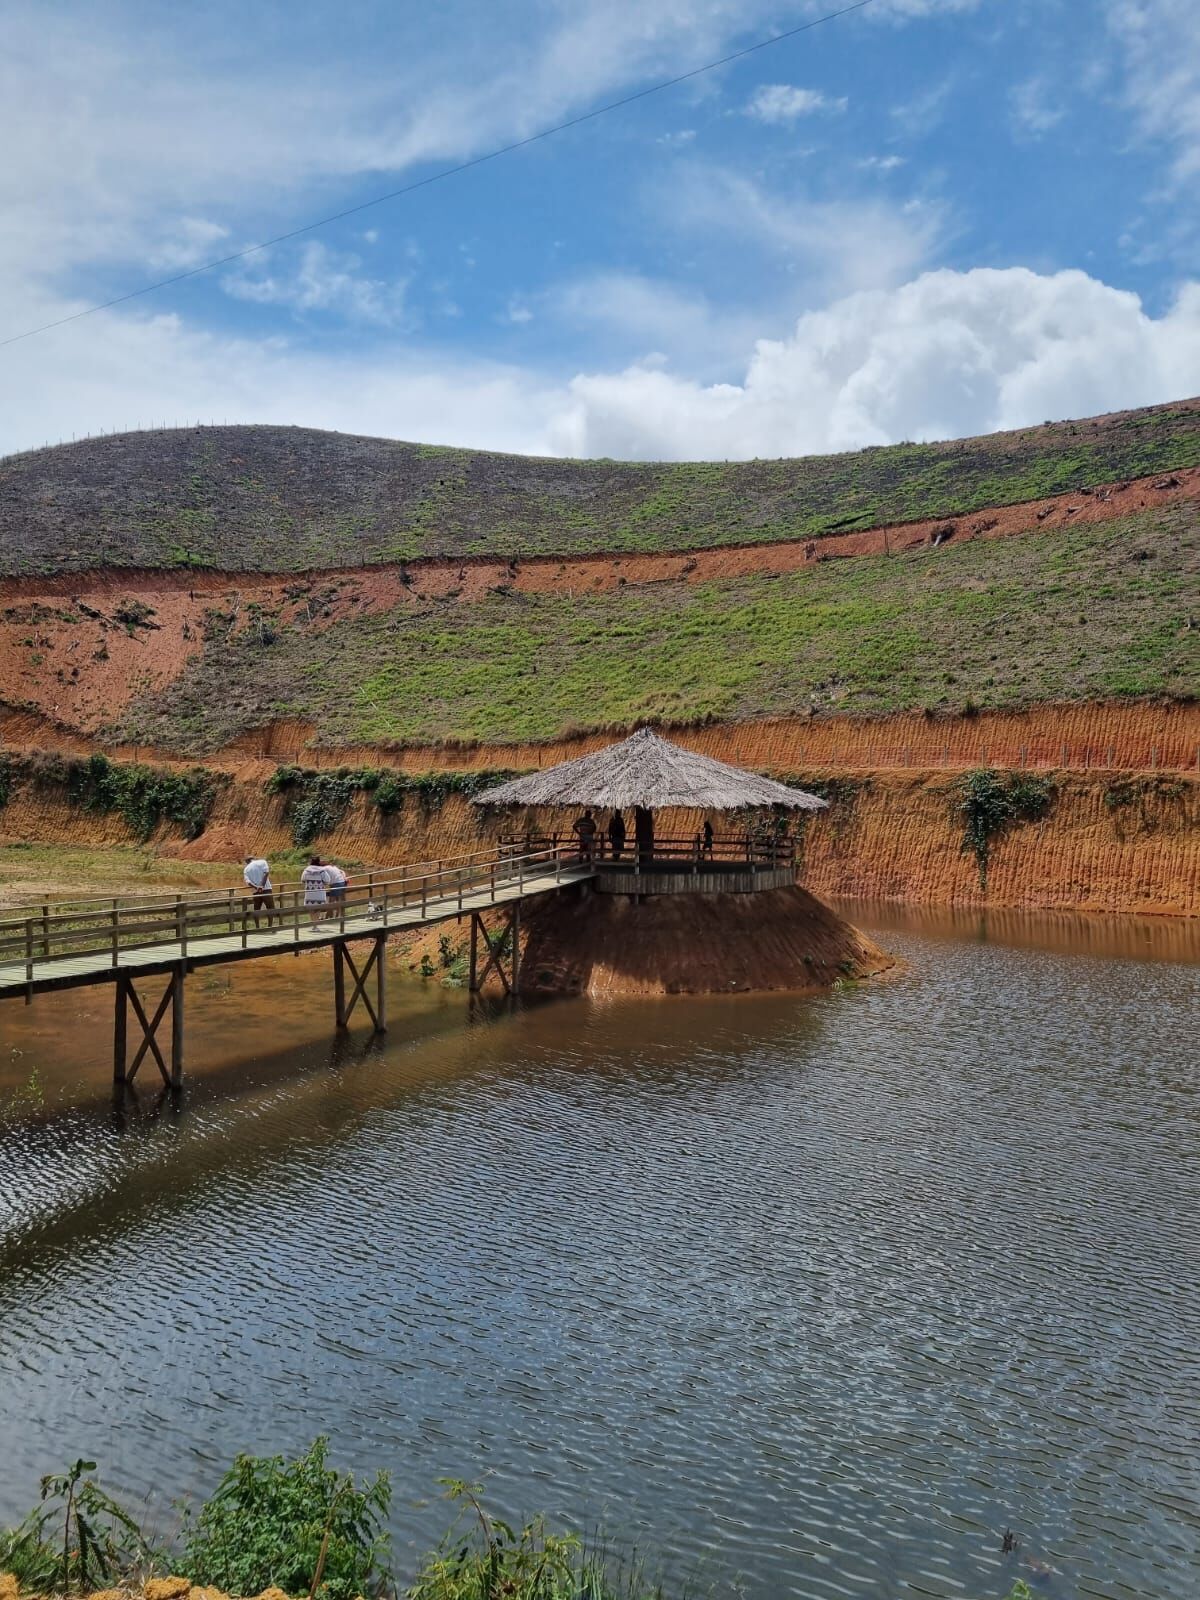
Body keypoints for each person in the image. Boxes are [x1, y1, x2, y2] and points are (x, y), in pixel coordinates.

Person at [243, 854, 275, 927]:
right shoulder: (262, 862)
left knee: (257, 909)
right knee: (270, 908)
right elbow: (266, 873)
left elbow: (248, 882)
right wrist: (262, 886)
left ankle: (257, 926)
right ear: (254, 859)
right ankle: (270, 926)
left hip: (256, 892)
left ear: (247, 862)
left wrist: (257, 887)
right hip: (266, 889)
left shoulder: (246, 869)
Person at [301, 855, 331, 926]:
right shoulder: (322, 871)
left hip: (309, 893)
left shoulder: (306, 870)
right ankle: (315, 925)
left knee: (311, 909)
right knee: (318, 909)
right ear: (318, 862)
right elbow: (327, 880)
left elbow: (302, 880)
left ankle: (313, 924)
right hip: (319, 894)